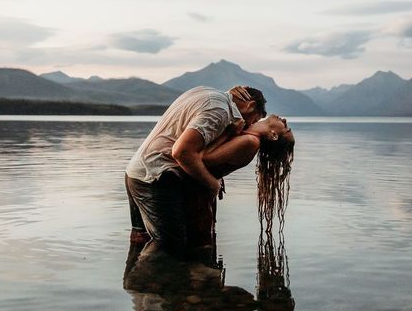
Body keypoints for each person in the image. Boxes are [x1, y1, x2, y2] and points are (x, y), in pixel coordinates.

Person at [125, 85, 267, 256]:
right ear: (250, 105)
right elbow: (182, 152)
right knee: (170, 247)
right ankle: (154, 276)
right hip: (157, 177)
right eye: (251, 120)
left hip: (136, 171)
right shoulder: (220, 110)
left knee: (140, 240)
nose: (246, 126)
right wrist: (211, 183)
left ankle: (136, 279)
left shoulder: (205, 92)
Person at [185, 114, 295, 246]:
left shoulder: (250, 141)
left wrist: (228, 133)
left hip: (193, 195)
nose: (284, 120)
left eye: (286, 127)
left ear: (274, 135)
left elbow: (203, 158)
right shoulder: (247, 133)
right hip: (194, 191)